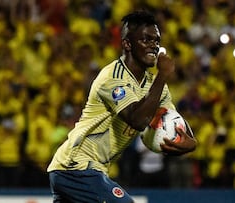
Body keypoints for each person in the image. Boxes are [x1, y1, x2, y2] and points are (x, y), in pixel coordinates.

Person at [47, 10, 197, 203]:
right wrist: (163, 75)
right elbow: (138, 120)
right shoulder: (112, 77)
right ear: (127, 44)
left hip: (90, 170)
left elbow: (173, 122)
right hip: (75, 167)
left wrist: (191, 144)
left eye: (156, 41)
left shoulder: (156, 87)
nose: (154, 46)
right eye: (146, 40)